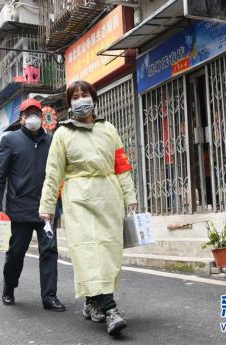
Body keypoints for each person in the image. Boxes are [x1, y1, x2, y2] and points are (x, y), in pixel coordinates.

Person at [39, 80, 138, 335]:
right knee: (89, 251)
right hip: (78, 198)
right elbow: (53, 173)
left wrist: (131, 198)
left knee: (108, 252)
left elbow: (122, 167)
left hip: (109, 196)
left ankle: (92, 301)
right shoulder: (62, 134)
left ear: (94, 99)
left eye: (85, 95)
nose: (80, 100)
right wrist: (47, 207)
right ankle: (110, 310)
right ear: (69, 104)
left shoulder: (109, 130)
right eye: (75, 97)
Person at [0, 98, 65, 312]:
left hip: (47, 209)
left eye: (36, 113)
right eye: (28, 113)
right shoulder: (10, 140)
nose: (33, 117)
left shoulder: (52, 142)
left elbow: (60, 174)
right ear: (21, 118)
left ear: (42, 117)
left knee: (49, 252)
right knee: (15, 253)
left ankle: (49, 297)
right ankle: (9, 286)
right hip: (19, 210)